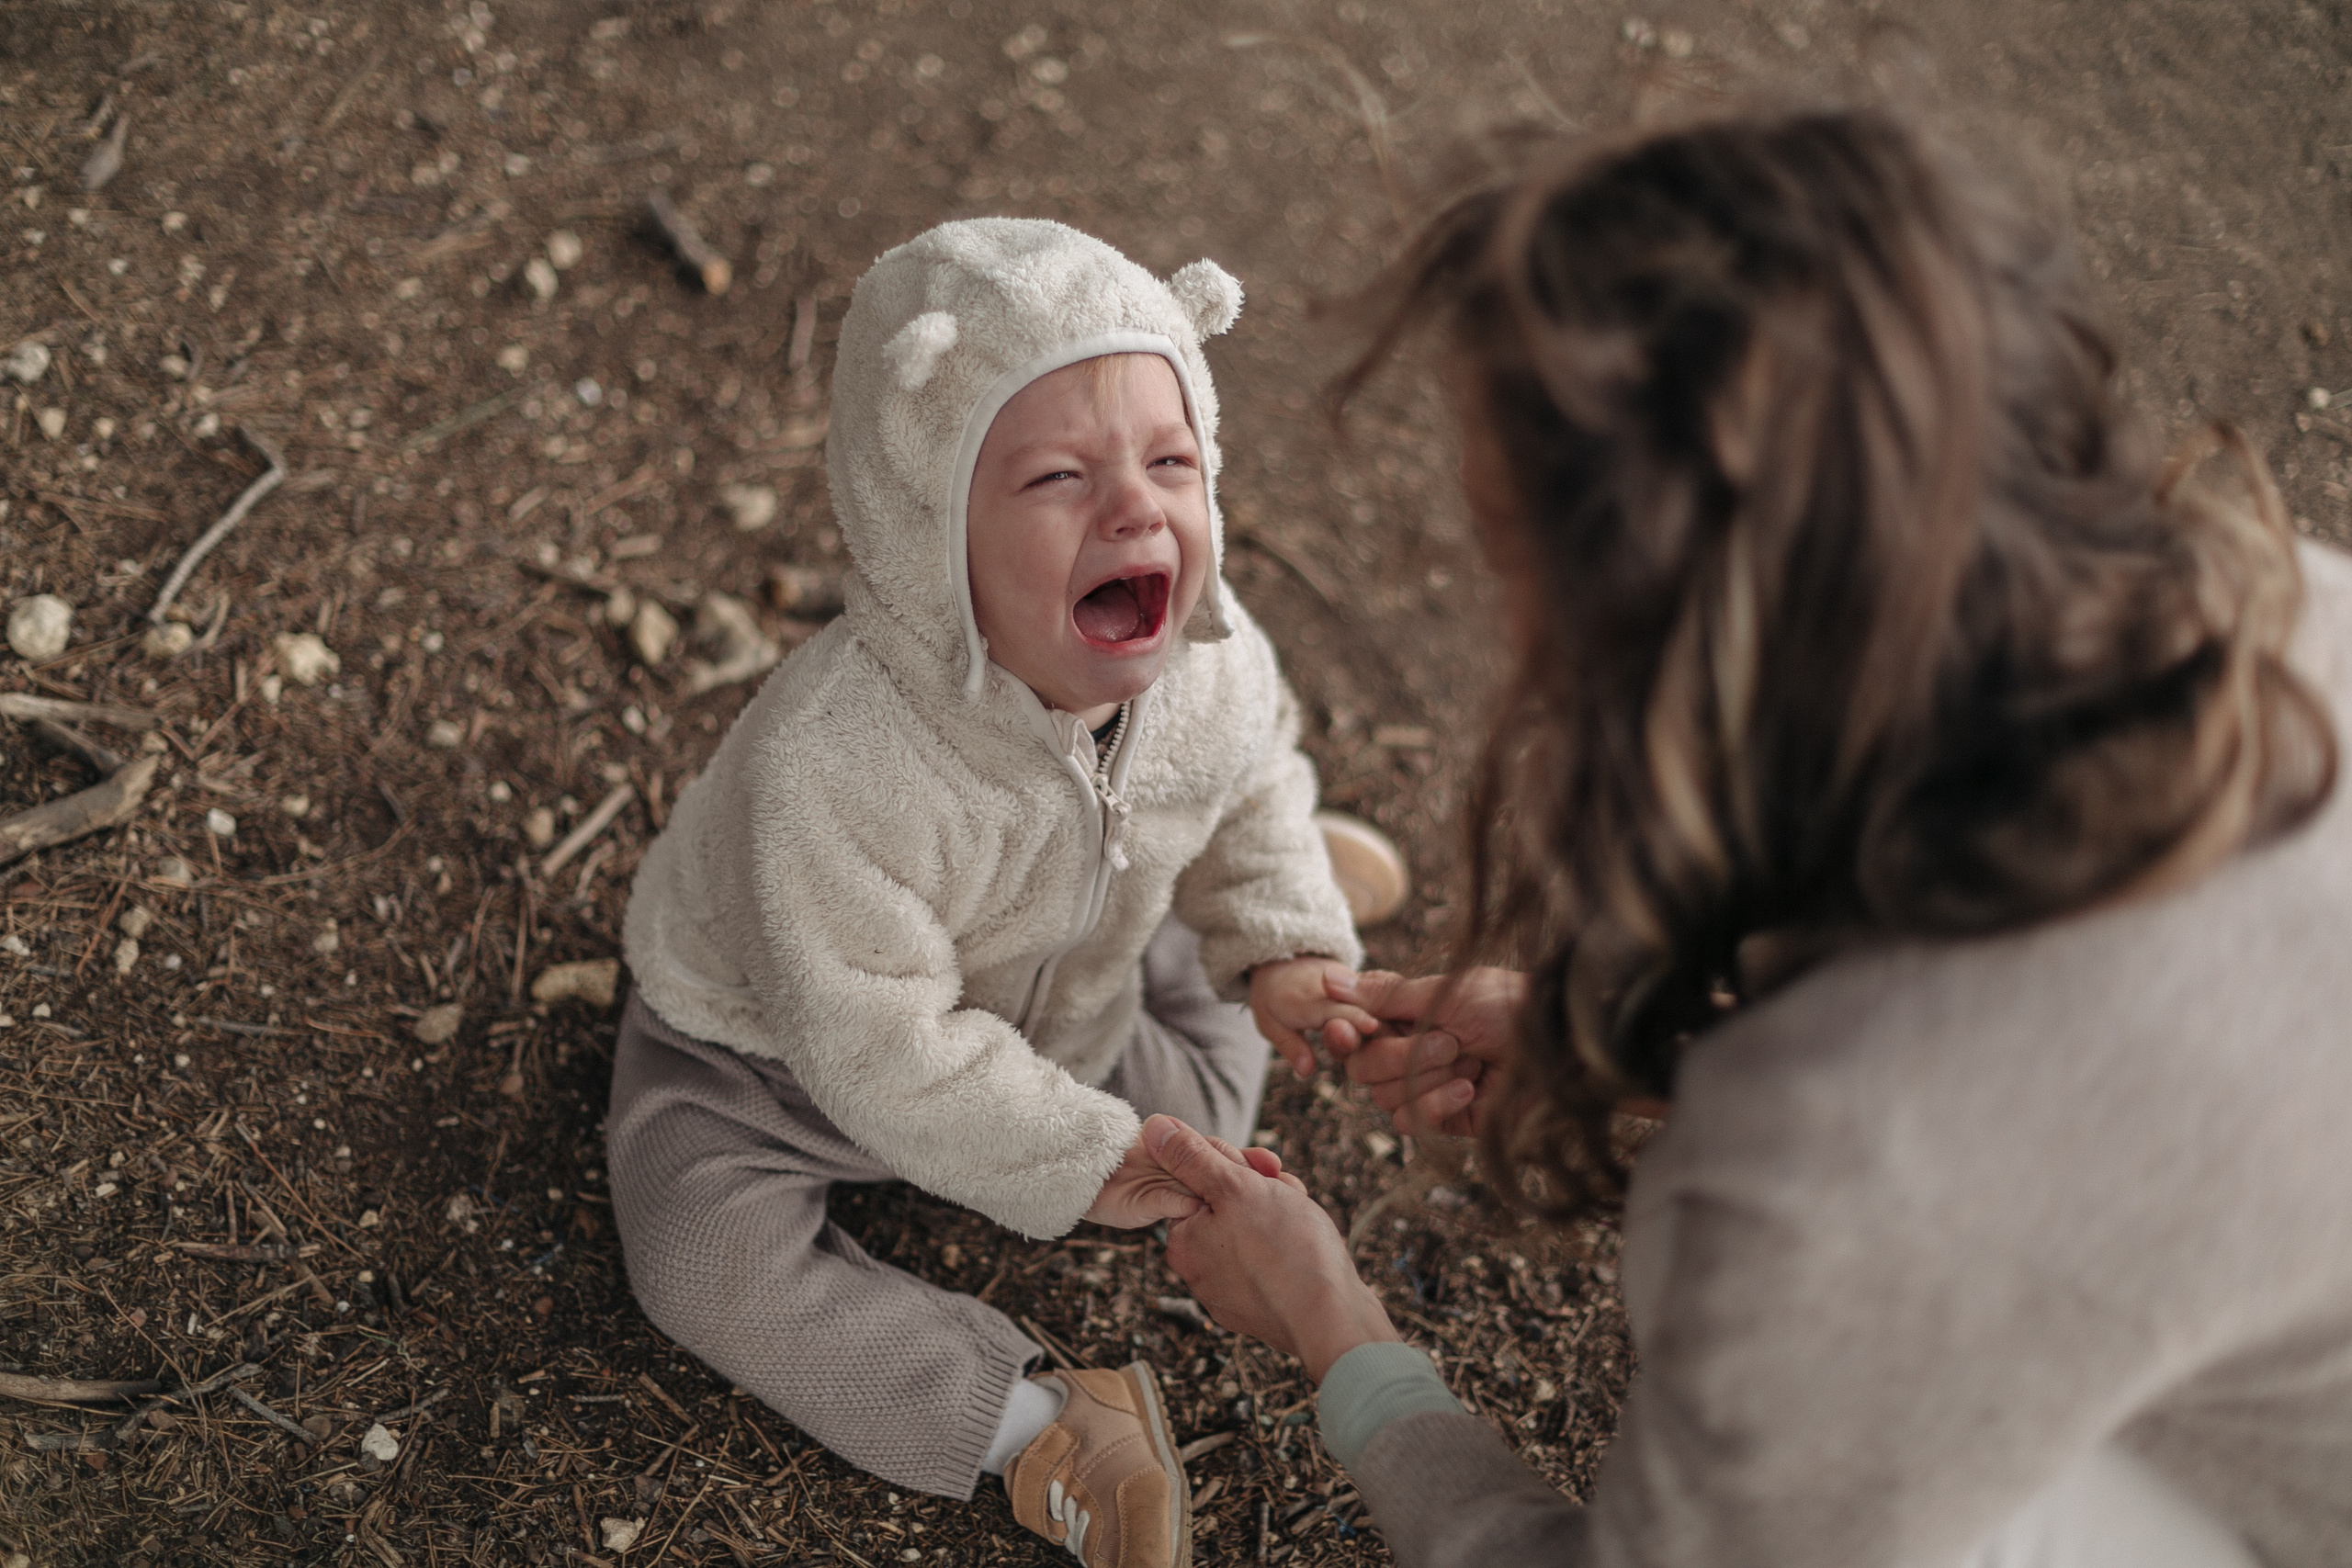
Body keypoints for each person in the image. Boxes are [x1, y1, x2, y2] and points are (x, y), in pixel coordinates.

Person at [1150, 106, 2352, 1568]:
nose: (1498, 617)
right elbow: (2092, 1079)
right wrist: (1630, 1052)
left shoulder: (1837, 1186)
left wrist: (1341, 1340)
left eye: (1504, 548)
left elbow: (1968, 1126)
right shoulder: (2285, 610)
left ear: (1657, 634)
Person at [606, 218, 1385, 1567]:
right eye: (1060, 478)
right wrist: (1080, 1157)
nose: (1135, 510)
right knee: (694, 1261)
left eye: (1170, 461)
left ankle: (1241, 933)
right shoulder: (836, 771)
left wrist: (1285, 940)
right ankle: (1039, 1430)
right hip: (775, 1055)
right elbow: (879, 1044)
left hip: (1057, 1009)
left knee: (1216, 1100)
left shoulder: (1209, 668)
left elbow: (1260, 773)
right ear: (929, 536)